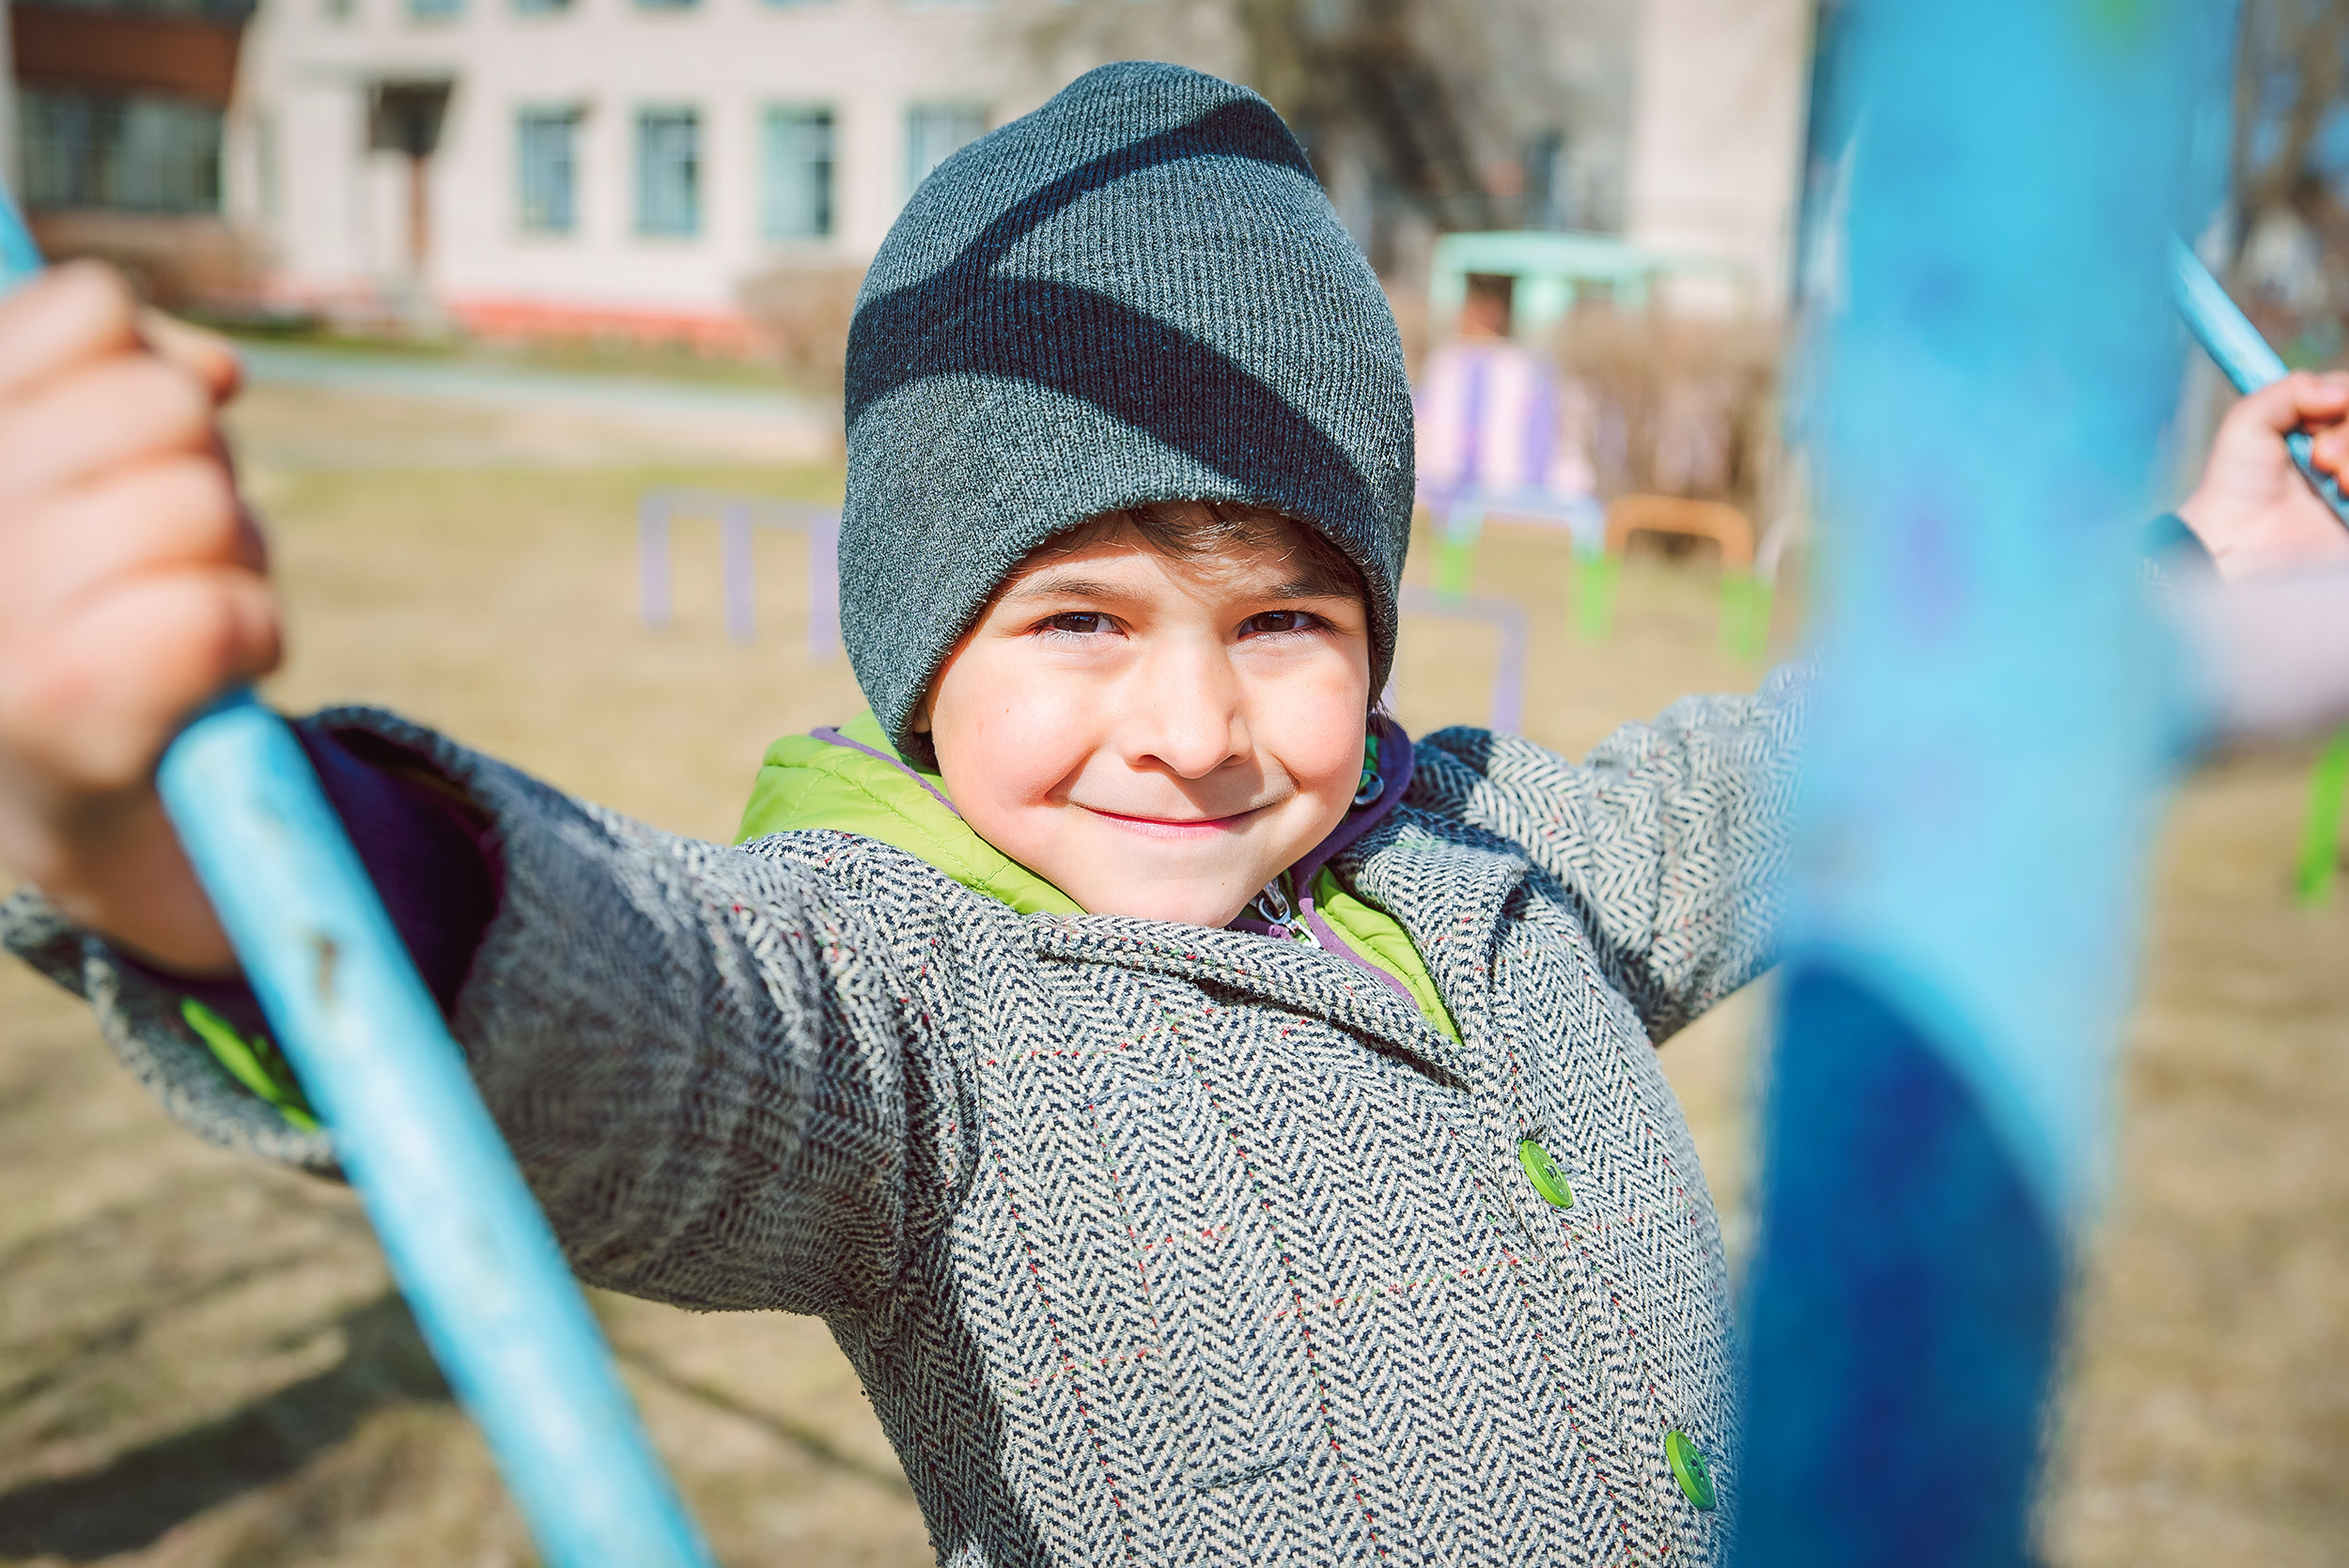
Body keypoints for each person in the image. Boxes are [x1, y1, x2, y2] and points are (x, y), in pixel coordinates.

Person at [0, 63, 2342, 1567]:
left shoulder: (1483, 857)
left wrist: (2184, 577)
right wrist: (165, 840)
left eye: (1289, 619)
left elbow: (1814, 774)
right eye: (1079, 623)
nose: (1198, 726)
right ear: (922, 647)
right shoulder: (894, 1012)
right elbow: (628, 1013)